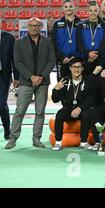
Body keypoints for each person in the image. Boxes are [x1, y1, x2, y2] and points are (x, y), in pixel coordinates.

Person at [6, 18, 56, 149]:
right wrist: (31, 77)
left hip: (43, 82)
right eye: (32, 25)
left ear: (41, 27)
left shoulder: (48, 42)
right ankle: (13, 138)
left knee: (40, 112)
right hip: (25, 82)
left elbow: (51, 61)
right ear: (27, 27)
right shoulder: (19, 43)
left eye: (37, 25)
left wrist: (41, 76)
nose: (34, 28)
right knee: (20, 111)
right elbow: (18, 62)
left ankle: (36, 138)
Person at [51, 58, 94, 151]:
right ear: (70, 68)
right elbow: (55, 100)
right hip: (68, 109)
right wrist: (56, 90)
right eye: (74, 67)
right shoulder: (64, 80)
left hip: (81, 109)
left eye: (79, 67)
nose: (76, 69)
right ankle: (58, 142)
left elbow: (91, 99)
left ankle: (83, 142)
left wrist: (79, 108)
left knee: (87, 114)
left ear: (82, 68)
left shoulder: (88, 81)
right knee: (59, 114)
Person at [76, 1, 105, 76]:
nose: (93, 13)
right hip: (86, 59)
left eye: (95, 10)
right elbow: (79, 43)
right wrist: (88, 53)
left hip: (101, 59)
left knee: (100, 84)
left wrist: (96, 54)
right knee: (87, 83)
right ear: (87, 12)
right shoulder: (81, 26)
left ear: (99, 11)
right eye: (91, 10)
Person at [52, 0, 81, 80]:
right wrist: (61, 57)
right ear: (63, 8)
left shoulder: (81, 24)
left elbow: (83, 42)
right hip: (62, 60)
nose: (68, 8)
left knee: (76, 83)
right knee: (62, 84)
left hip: (77, 60)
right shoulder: (57, 24)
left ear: (74, 8)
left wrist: (76, 56)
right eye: (66, 7)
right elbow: (54, 43)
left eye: (71, 6)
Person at [0, 21, 18, 140]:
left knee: (1, 104)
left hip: (3, 75)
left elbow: (14, 59)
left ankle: (7, 130)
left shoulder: (9, 37)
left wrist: (16, 77)